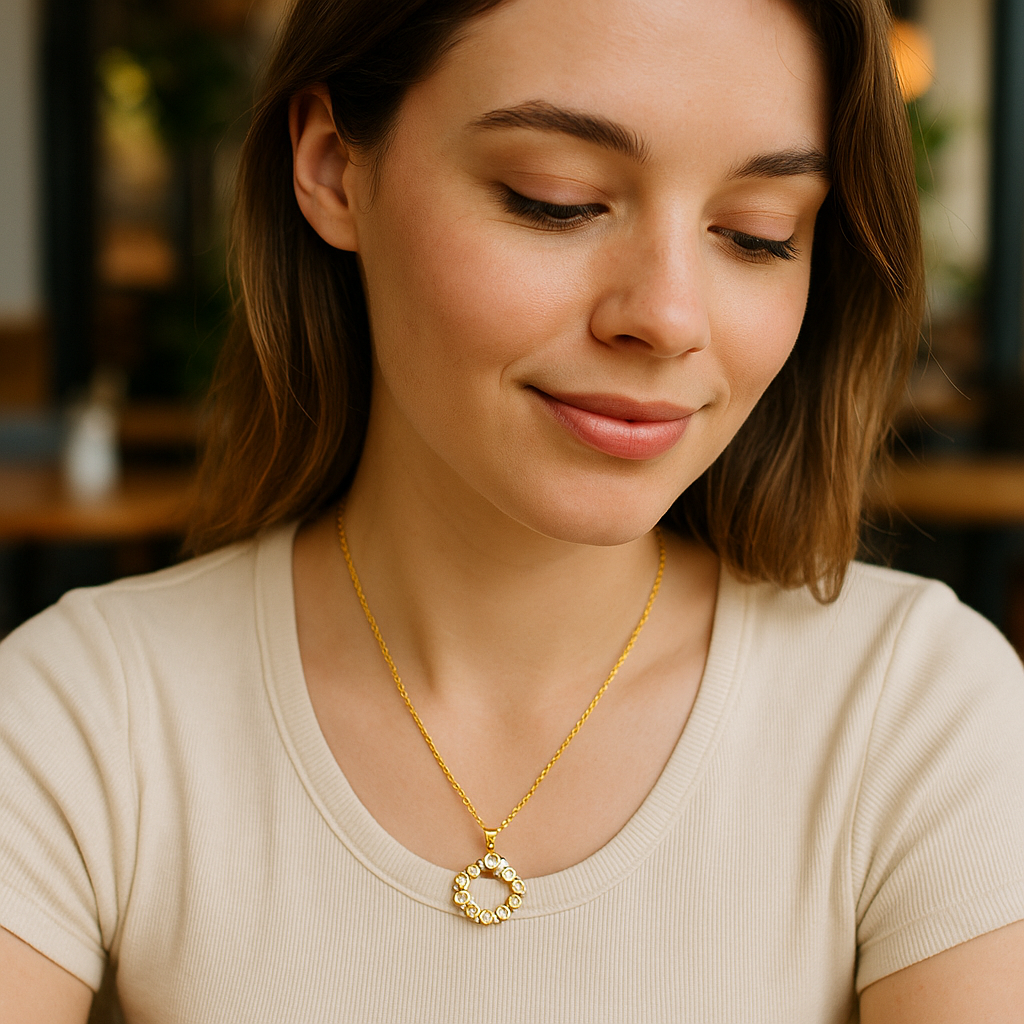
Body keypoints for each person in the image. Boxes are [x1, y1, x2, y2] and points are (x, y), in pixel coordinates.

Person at [2, 0, 1024, 1019]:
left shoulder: (915, 713)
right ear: (330, 166)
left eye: (757, 234)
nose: (667, 317)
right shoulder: (83, 720)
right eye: (557, 200)